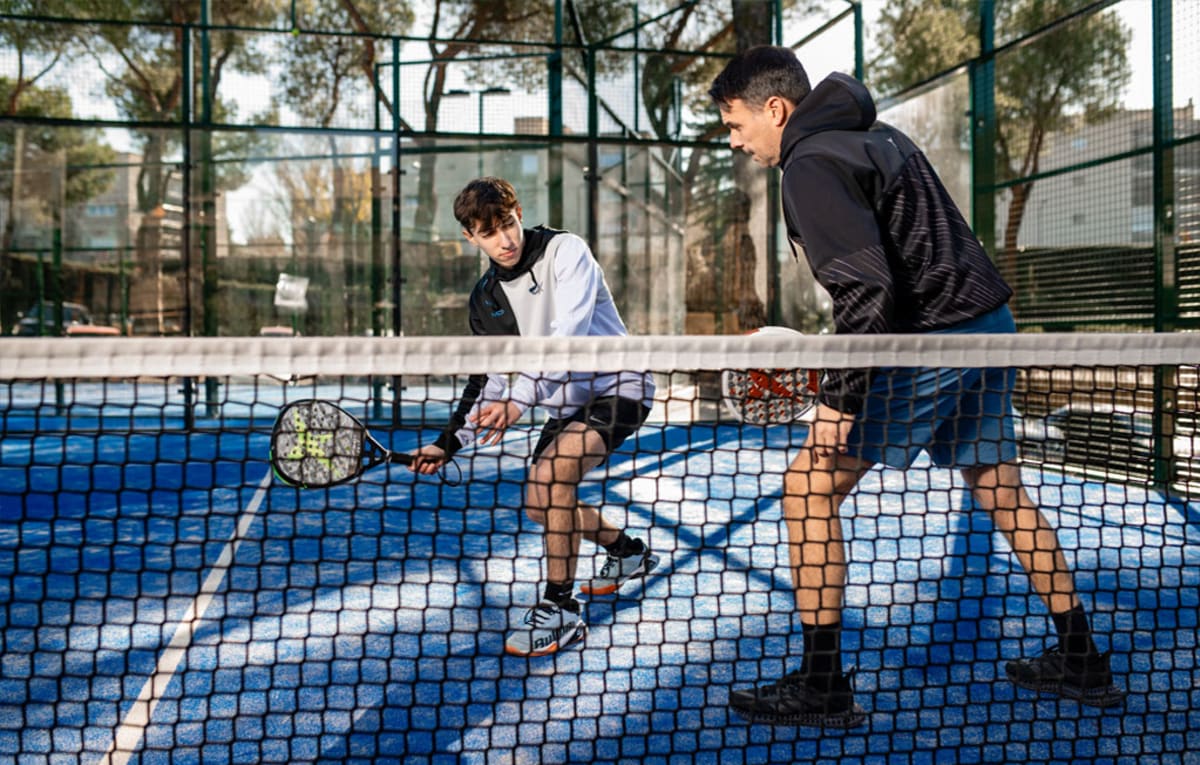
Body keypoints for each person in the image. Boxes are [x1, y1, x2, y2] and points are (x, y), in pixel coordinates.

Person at [709, 46, 1125, 727]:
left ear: (775, 109)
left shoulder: (809, 165)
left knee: (806, 490)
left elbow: (868, 290)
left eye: (735, 123)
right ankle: (1082, 657)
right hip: (989, 323)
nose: (735, 139)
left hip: (932, 339)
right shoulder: (875, 134)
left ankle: (822, 685)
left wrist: (837, 399)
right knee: (999, 488)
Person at [407, 177, 659, 658]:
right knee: (541, 503)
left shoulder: (565, 251)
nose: (504, 240)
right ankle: (628, 552)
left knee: (551, 481)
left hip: (618, 385)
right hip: (565, 403)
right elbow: (488, 380)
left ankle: (561, 607)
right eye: (489, 233)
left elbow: (568, 334)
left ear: (518, 212)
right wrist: (447, 442)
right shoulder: (486, 300)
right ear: (470, 238)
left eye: (507, 224)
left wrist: (519, 403)